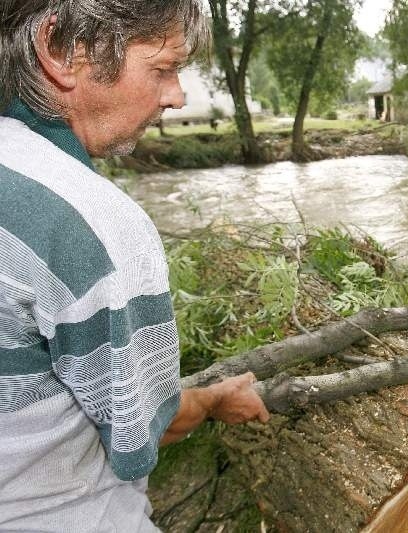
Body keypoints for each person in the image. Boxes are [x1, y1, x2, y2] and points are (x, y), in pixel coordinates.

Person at [0, 1, 269, 531]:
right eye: (163, 67)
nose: (177, 95)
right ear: (62, 50)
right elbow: (140, 432)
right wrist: (215, 400)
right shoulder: (91, 221)